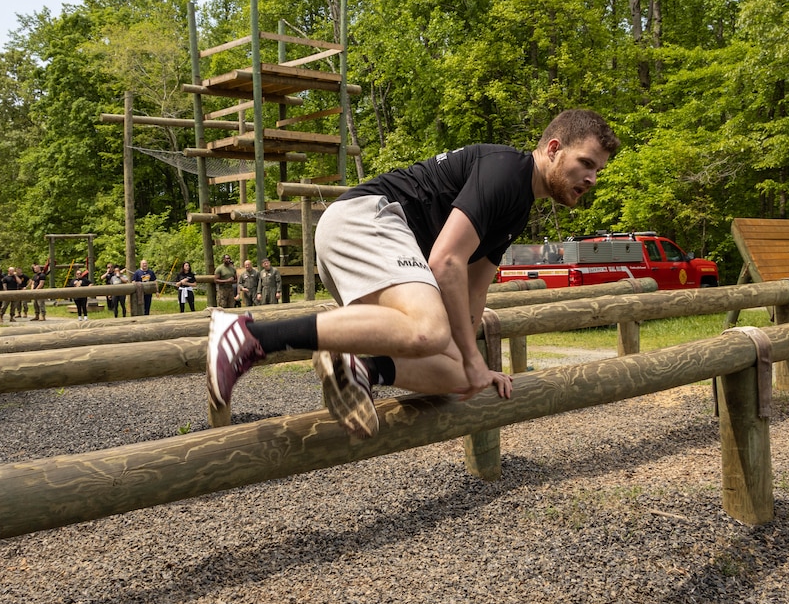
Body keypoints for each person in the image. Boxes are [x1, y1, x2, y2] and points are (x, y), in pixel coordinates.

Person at [207, 109, 619, 438]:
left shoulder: (518, 207)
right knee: (429, 329)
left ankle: (364, 367)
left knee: (456, 374)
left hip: (370, 248)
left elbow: (476, 289)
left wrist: (471, 362)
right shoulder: (506, 171)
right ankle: (248, 337)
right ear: (552, 148)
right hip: (365, 220)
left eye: (597, 170)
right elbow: (445, 263)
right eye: (586, 163)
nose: (591, 179)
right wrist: (470, 354)